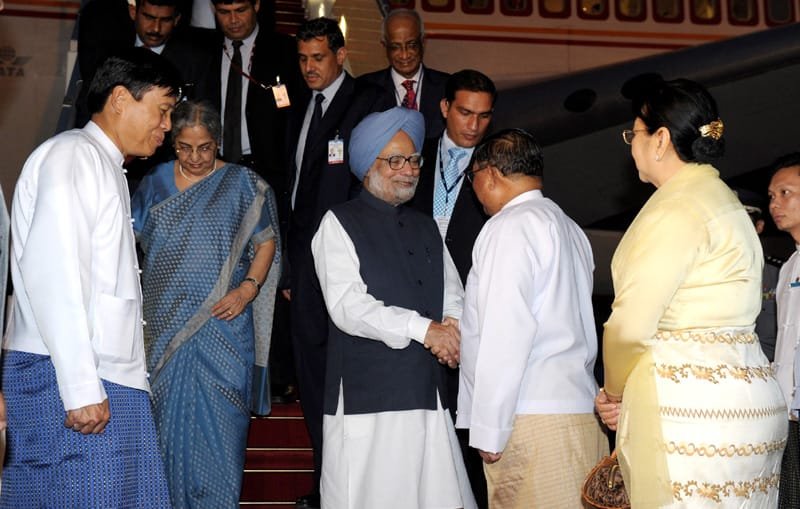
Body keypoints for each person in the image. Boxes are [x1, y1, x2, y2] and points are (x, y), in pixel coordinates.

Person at [595, 77, 787, 507]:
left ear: (660, 139)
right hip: (751, 398)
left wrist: (615, 391)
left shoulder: (676, 208)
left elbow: (630, 325)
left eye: (635, 134)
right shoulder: (725, 201)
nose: (631, 146)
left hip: (691, 409)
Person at [0, 47, 179, 508]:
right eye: (161, 111)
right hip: (70, 377)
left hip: (102, 377)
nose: (166, 127)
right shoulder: (73, 156)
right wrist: (80, 387)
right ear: (121, 99)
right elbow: (54, 273)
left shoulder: (105, 165)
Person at [311, 107, 476, 509]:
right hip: (370, 400)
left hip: (426, 391)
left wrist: (452, 327)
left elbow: (453, 290)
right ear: (369, 165)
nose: (409, 169)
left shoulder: (425, 226)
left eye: (414, 159)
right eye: (395, 160)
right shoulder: (338, 223)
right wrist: (424, 330)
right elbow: (348, 306)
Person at [130, 99, 281, 508]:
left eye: (205, 147)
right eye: (184, 147)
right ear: (172, 144)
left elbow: (266, 242)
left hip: (224, 327)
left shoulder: (242, 184)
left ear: (219, 143)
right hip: (164, 330)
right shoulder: (154, 184)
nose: (195, 157)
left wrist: (248, 289)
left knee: (222, 432)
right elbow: (129, 247)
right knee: (164, 432)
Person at [457, 128, 607, 507]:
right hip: (580, 411)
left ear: (490, 174)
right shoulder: (570, 228)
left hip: (532, 417)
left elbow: (505, 334)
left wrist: (489, 428)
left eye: (471, 178)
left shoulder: (509, 226)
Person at [286, 17, 382, 508]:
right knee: (309, 377)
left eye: (318, 58)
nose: (309, 68)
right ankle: (325, 484)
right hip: (304, 265)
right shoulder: (300, 103)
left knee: (341, 380)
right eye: (302, 59)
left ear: (341, 56)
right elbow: (295, 191)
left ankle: (345, 489)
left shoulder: (365, 102)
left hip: (346, 261)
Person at [407, 68, 496, 506]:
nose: (473, 125)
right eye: (464, 112)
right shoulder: (413, 157)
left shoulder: (496, 167)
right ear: (444, 108)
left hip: (473, 309)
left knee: (465, 424)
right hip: (412, 302)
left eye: (483, 116)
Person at [194, 0, 302, 203]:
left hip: (267, 171)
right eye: (224, 12)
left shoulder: (285, 51)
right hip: (211, 167)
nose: (233, 20)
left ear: (257, 5)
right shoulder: (203, 50)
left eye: (240, 11)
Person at [767, 152, 800, 508]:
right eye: (773, 196)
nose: (776, 203)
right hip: (788, 414)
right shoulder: (789, 266)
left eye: (786, 193)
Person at [358, 8, 449, 138]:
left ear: (423, 42)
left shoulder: (448, 87)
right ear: (384, 46)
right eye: (395, 47)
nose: (404, 54)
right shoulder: (364, 89)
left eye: (411, 45)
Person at [736, 187, 781, 362]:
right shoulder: (707, 273)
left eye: (743, 223)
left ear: (759, 227)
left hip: (772, 371)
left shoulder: (780, 273)